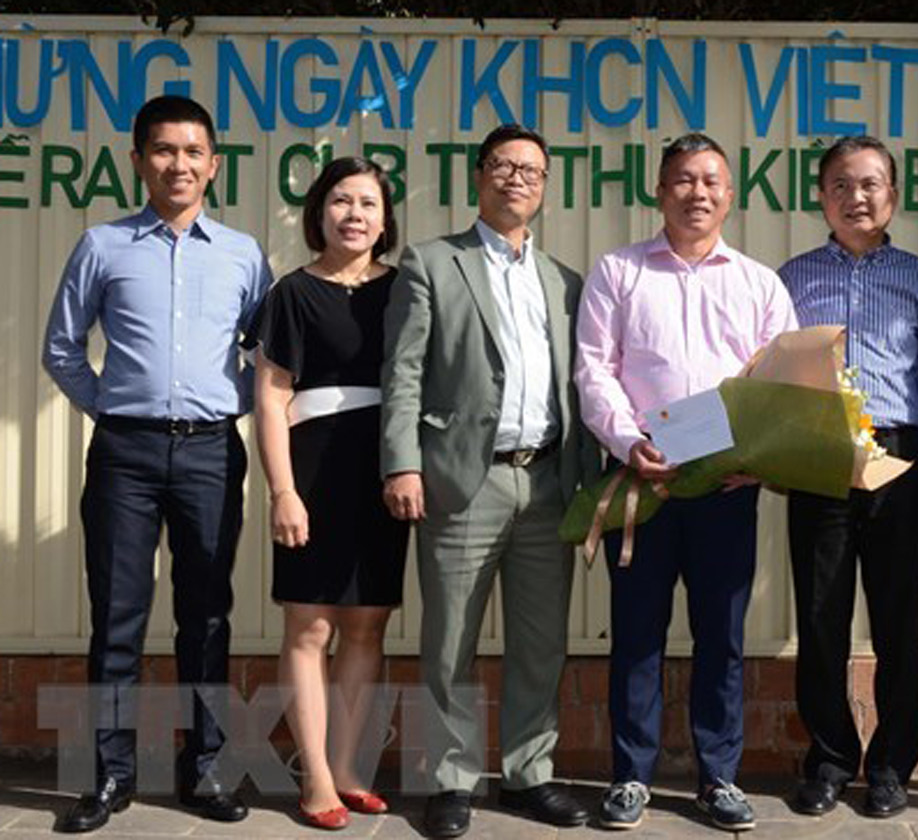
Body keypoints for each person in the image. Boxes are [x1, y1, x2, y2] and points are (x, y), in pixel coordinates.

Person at [41, 95, 272, 833]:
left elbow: (265, 356)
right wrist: (111, 406)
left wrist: (227, 401)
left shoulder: (242, 253)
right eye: (163, 150)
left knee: (206, 614)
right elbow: (62, 348)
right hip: (125, 453)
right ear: (138, 160)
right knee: (117, 616)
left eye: (193, 151)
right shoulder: (102, 247)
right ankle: (108, 776)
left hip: (209, 451)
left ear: (213, 163)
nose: (179, 164)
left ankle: (204, 771)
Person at [574, 133, 798, 833]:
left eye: (710, 181)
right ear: (659, 189)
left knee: (720, 637)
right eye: (682, 180)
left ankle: (719, 776)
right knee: (637, 635)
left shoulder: (759, 282)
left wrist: (757, 454)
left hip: (728, 488)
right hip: (643, 485)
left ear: (730, 195)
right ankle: (631, 777)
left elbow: (783, 383)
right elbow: (593, 369)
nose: (696, 193)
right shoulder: (619, 271)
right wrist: (627, 441)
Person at [380, 124, 597, 839]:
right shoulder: (431, 263)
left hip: (545, 483)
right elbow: (404, 371)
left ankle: (531, 774)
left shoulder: (564, 281)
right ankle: (450, 779)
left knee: (541, 642)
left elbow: (581, 386)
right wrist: (402, 462)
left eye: (531, 170)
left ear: (543, 186)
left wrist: (591, 488)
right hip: (460, 482)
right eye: (503, 166)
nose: (516, 179)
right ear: (479, 176)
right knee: (450, 640)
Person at [778, 136, 918, 819]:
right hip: (818, 456)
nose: (857, 197)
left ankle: (891, 764)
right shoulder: (790, 278)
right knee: (820, 618)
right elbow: (771, 376)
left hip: (898, 458)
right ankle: (829, 759)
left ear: (893, 196)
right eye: (842, 185)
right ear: (821, 196)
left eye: (872, 184)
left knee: (899, 621)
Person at [249, 157, 410, 830]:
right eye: (341, 201)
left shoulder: (403, 290)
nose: (354, 214)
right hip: (312, 471)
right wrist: (282, 491)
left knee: (367, 625)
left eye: (367, 204)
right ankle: (313, 776)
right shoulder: (292, 292)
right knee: (310, 624)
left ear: (385, 220)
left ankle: (347, 768)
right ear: (319, 212)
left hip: (384, 472)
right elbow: (269, 395)